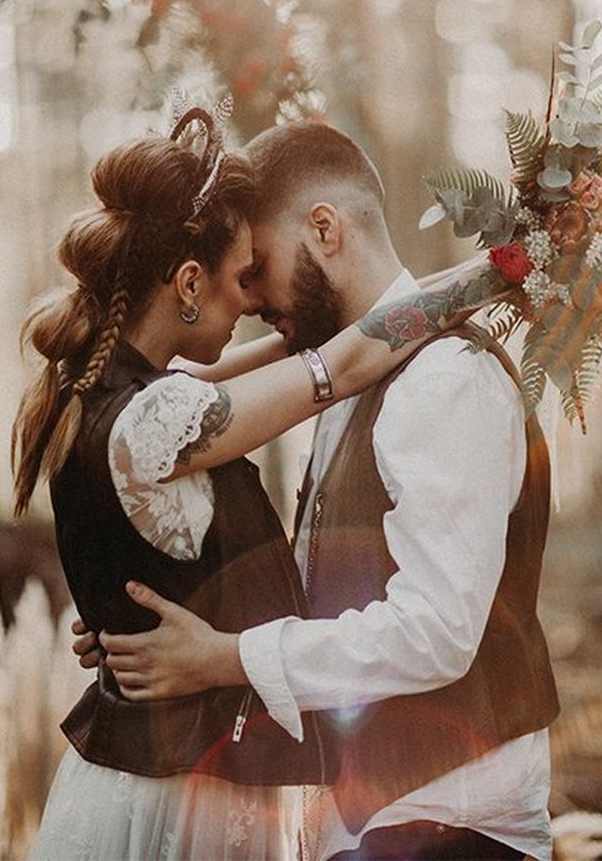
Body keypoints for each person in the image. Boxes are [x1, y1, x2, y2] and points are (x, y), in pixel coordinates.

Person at [80, 120, 561, 861]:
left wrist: (225, 656)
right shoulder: (348, 373)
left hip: (451, 821)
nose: (247, 301)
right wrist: (149, 613)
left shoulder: (445, 379)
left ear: (326, 230)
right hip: (371, 820)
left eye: (257, 268)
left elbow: (434, 632)